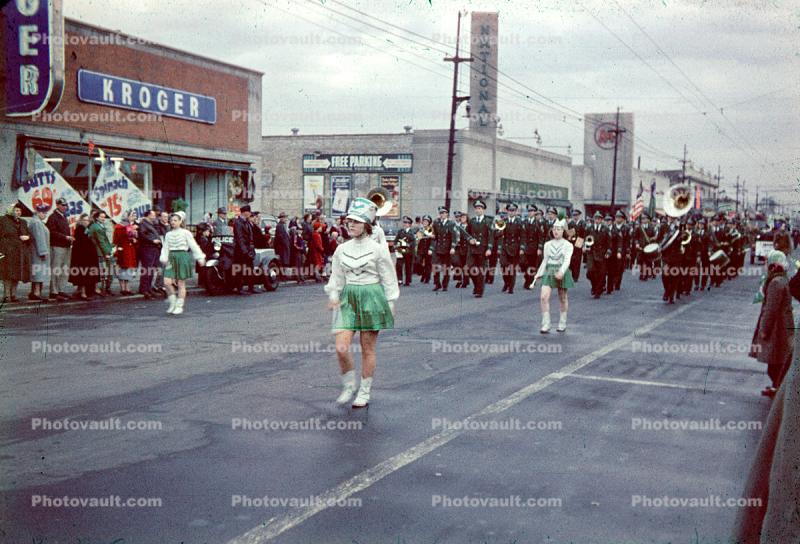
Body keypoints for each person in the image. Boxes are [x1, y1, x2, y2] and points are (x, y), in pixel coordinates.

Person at [325, 197, 399, 408]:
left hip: (371, 297)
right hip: (348, 298)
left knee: (368, 348)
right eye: (349, 221)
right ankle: (349, 385)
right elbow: (337, 277)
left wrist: (391, 302)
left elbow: (388, 277)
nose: (351, 224)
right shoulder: (342, 249)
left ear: (366, 225)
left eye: (356, 221)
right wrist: (333, 295)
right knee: (341, 346)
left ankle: (364, 391)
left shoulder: (378, 249)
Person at [749, 250, 794, 398]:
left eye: (768, 262)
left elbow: (771, 310)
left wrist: (764, 330)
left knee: (775, 363)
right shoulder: (781, 280)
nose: (765, 265)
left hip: (777, 329)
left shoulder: (775, 283)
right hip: (782, 326)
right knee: (776, 362)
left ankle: (778, 389)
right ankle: (776, 387)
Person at [533, 216, 575, 333]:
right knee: (543, 297)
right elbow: (545, 260)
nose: (556, 231)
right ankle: (546, 324)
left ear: (563, 231)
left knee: (562, 297)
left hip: (561, 270)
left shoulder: (568, 245)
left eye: (559, 229)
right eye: (554, 229)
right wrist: (538, 274)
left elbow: (567, 260)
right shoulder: (547, 244)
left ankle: (562, 322)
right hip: (549, 270)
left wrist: (561, 271)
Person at [160, 211, 205, 315]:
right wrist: (164, 258)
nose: (173, 222)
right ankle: (173, 302)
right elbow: (165, 247)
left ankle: (179, 305)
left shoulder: (186, 233)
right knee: (166, 282)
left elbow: (193, 245)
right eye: (171, 220)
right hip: (171, 257)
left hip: (182, 257)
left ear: (181, 221)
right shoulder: (168, 234)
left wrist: (200, 257)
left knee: (181, 283)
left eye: (175, 220)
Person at [0, 203, 32, 302]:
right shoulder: (3, 220)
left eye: (19, 211)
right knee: (7, 273)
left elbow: (28, 234)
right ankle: (6, 295)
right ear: (10, 210)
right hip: (7, 250)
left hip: (20, 251)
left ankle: (13, 294)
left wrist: (28, 237)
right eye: (16, 210)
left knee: (17, 273)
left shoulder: (23, 222)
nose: (18, 212)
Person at [46, 197, 73, 300]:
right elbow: (51, 232)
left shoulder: (64, 217)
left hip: (66, 246)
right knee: (56, 269)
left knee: (64, 270)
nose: (65, 207)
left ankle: (61, 289)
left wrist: (68, 239)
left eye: (66, 205)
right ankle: (54, 291)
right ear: (57, 205)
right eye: (63, 205)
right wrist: (65, 237)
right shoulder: (53, 217)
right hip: (57, 246)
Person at [466, 200, 493, 298]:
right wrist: (470, 240)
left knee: (481, 271)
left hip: (483, 249)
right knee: (469, 269)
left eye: (480, 208)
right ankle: (476, 285)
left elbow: (491, 236)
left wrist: (489, 248)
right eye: (476, 208)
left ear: (483, 210)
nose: (477, 210)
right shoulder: (472, 221)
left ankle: (479, 291)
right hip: (473, 249)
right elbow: (466, 234)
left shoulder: (488, 221)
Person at [68, 214, 100, 299]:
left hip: (88, 254)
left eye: (88, 220)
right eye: (85, 220)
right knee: (83, 275)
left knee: (87, 274)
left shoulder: (88, 229)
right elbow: (81, 242)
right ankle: (82, 292)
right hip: (82, 255)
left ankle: (85, 291)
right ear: (81, 220)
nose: (87, 222)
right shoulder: (80, 229)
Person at [430, 207, 458, 292]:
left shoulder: (451, 224)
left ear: (447, 214)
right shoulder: (436, 223)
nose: (442, 215)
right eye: (441, 213)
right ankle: (437, 284)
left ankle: (445, 285)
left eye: (444, 213)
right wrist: (432, 245)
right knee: (435, 266)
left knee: (446, 268)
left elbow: (454, 237)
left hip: (447, 249)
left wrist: (453, 247)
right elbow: (434, 235)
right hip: (438, 248)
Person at [28, 204, 51, 302]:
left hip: (36, 251)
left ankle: (35, 292)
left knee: (38, 271)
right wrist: (43, 251)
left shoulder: (37, 222)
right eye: (43, 212)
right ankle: (36, 292)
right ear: (38, 212)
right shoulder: (37, 223)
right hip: (38, 252)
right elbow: (39, 238)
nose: (45, 214)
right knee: (39, 272)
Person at [87, 210, 114, 296]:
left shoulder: (97, 226)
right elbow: (101, 241)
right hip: (100, 252)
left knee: (104, 271)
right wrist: (107, 252)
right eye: (101, 217)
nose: (103, 218)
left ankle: (104, 289)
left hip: (100, 250)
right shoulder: (97, 227)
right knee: (104, 272)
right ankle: (103, 290)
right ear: (97, 217)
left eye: (104, 217)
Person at [498, 203, 523, 294]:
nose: (511, 212)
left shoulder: (519, 222)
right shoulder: (503, 221)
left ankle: (511, 287)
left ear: (516, 212)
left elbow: (523, 236)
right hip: (505, 246)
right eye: (510, 210)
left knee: (512, 268)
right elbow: (497, 234)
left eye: (513, 210)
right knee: (503, 265)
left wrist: (522, 248)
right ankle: (506, 282)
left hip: (515, 247)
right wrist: (499, 229)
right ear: (507, 211)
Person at [138, 208, 162, 298]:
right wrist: (152, 240)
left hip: (153, 249)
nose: (154, 216)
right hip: (147, 249)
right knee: (147, 269)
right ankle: (144, 289)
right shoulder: (143, 224)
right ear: (148, 215)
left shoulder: (151, 224)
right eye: (153, 214)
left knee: (151, 270)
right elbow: (142, 235)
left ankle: (148, 288)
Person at [586, 211, 611, 299]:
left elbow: (609, 242)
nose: (597, 220)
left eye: (599, 218)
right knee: (590, 272)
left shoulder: (606, 229)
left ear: (601, 220)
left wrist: (608, 251)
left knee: (601, 273)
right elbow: (585, 238)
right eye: (596, 218)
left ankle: (598, 291)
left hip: (601, 253)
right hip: (591, 253)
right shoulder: (589, 228)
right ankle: (594, 286)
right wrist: (583, 247)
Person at [113, 210, 139, 295]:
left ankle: (127, 288)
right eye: (131, 215)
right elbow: (116, 239)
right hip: (122, 250)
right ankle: (122, 288)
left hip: (130, 250)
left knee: (129, 268)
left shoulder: (131, 226)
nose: (133, 216)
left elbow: (134, 238)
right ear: (126, 216)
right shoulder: (119, 226)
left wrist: (134, 238)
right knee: (123, 268)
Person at [233, 205, 255, 295]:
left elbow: (250, 236)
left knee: (250, 269)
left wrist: (251, 248)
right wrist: (244, 250)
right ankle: (240, 288)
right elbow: (239, 238)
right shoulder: (238, 222)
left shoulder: (247, 222)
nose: (250, 213)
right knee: (240, 270)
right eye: (249, 212)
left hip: (249, 250)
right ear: (245, 212)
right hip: (241, 251)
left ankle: (251, 287)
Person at [395, 216, 416, 286]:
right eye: (404, 222)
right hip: (401, 251)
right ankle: (399, 279)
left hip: (409, 252)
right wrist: (396, 246)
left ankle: (407, 280)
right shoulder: (400, 231)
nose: (405, 224)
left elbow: (413, 242)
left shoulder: (412, 232)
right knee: (399, 265)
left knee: (408, 266)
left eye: (407, 223)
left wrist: (408, 245)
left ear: (410, 224)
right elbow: (396, 240)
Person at [416, 215, 433, 283]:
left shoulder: (430, 228)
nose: (425, 222)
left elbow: (429, 235)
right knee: (418, 262)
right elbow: (419, 237)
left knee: (428, 263)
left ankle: (427, 278)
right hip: (421, 247)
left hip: (428, 247)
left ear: (429, 222)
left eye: (426, 221)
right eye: (424, 221)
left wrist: (424, 234)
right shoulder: (420, 228)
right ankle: (423, 273)